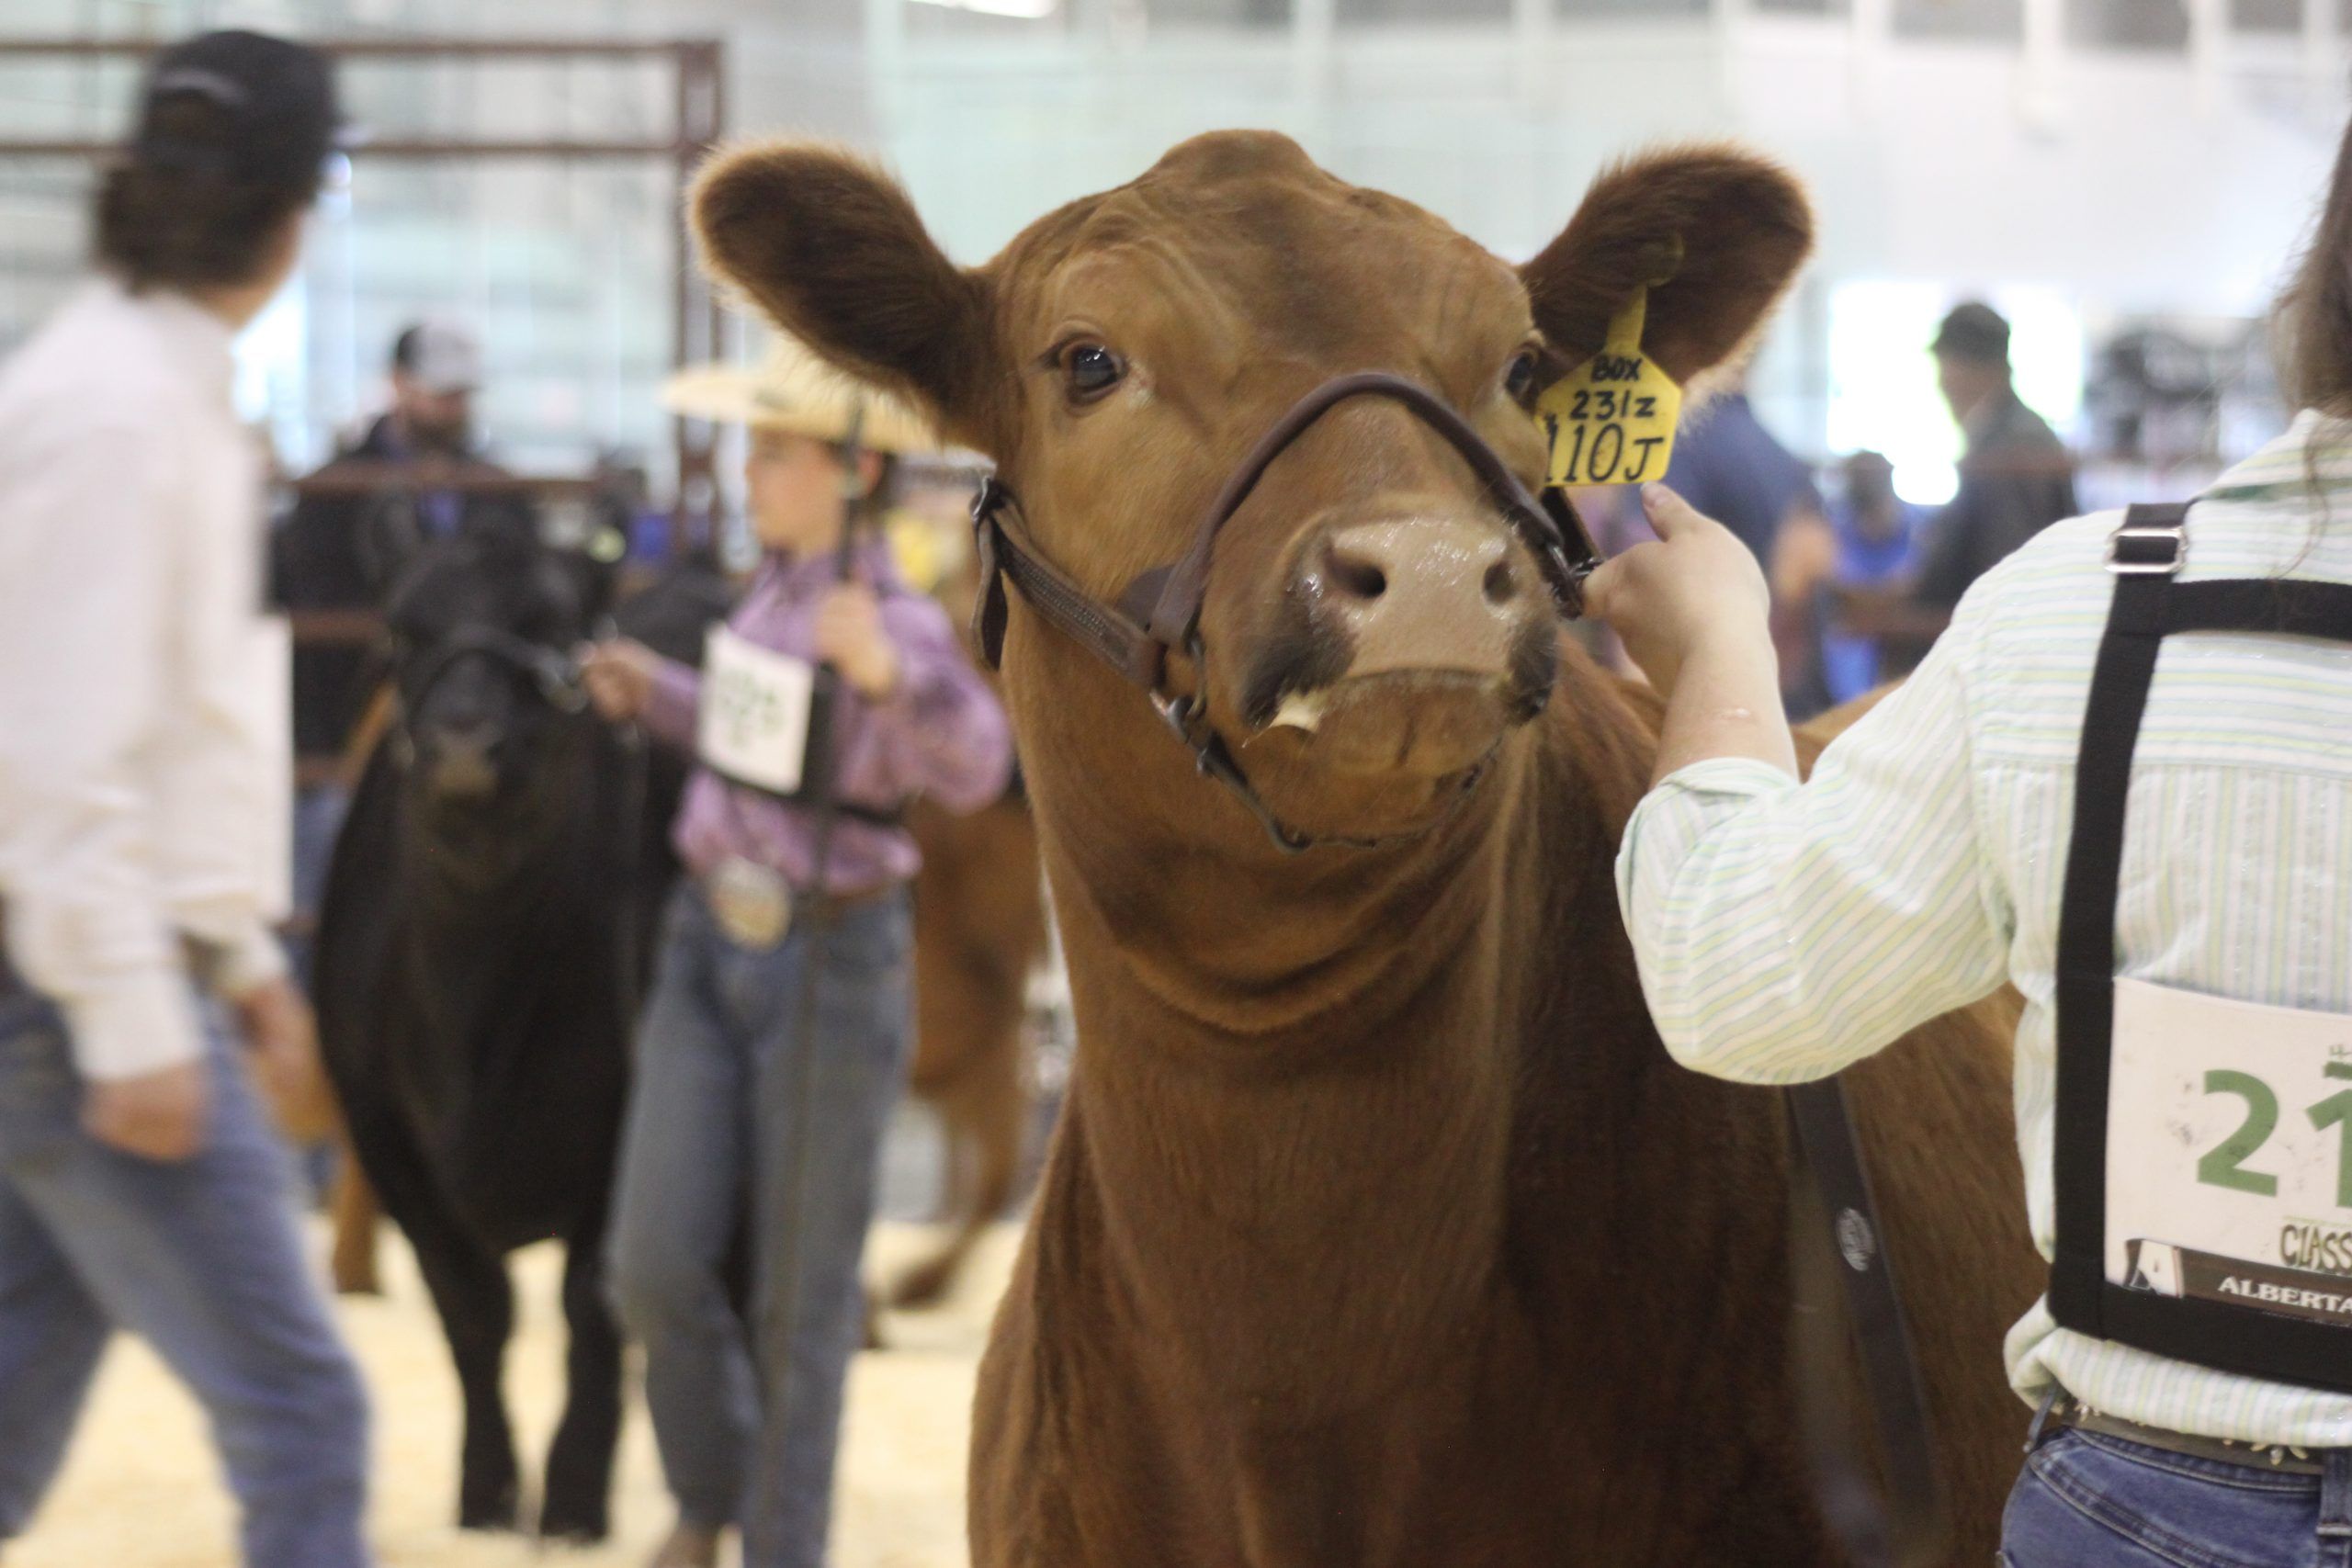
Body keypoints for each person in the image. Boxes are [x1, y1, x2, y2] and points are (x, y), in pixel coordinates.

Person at [1589, 112, 2352, 1567]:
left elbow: (1736, 973)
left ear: (2321, 287)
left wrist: (1720, 655)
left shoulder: (2072, 614)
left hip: (2159, 1505)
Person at [0, 31, 371, 1568]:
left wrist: (238, 957)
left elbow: (152, 734)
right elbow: (56, 756)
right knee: (302, 1414)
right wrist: (146, 1023)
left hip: (85, 978)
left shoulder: (142, 389)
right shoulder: (117, 412)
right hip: (79, 993)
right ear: (294, 218)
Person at [582, 342, 1013, 1568]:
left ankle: (779, 1542)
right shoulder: (768, 593)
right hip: (706, 940)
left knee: (798, 1295)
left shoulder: (886, 615)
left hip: (830, 958)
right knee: (652, 1257)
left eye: (777, 451)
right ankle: (711, 1483)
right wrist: (654, 689)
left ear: (853, 470)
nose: (753, 470)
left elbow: (977, 763)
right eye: (756, 447)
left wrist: (887, 678)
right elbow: (753, 738)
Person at [1849, 301, 2079, 665]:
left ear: (1971, 368)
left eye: (1945, 367)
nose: (1942, 383)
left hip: (1994, 659)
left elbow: (2006, 567)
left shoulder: (2011, 445)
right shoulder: (2009, 434)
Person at [1818, 450, 1928, 703]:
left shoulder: (1923, 527)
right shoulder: (1833, 526)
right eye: (1859, 477)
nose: (1868, 483)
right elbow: (1835, 584)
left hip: (1908, 641)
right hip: (1848, 646)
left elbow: (1918, 585)